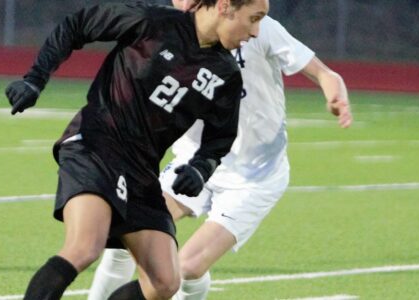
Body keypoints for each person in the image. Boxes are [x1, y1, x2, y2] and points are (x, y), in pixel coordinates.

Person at [4, 0, 270, 299]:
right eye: (254, 18)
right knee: (84, 247)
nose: (256, 31)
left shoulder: (227, 73)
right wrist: (35, 78)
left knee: (165, 283)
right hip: (97, 145)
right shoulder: (152, 21)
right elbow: (77, 24)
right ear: (224, 7)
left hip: (142, 172)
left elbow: (219, 139)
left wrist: (199, 168)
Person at [88, 1, 352, 299]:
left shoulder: (256, 27)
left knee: (185, 267)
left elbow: (326, 73)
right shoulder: (165, 34)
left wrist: (335, 95)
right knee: (122, 238)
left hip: (254, 177)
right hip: (193, 162)